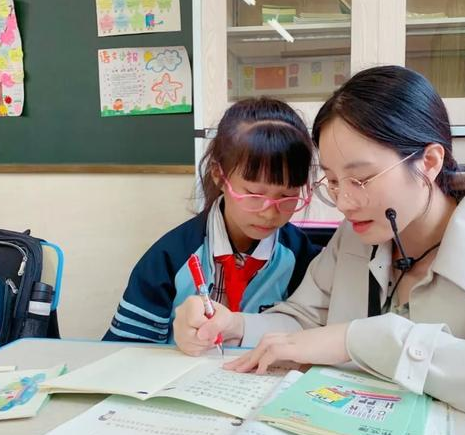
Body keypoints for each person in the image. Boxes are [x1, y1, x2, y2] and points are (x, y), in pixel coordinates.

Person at [173, 66, 465, 435]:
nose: (344, 201)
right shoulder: (355, 236)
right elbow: (303, 321)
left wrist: (368, 340)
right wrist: (234, 325)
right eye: (331, 180)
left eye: (360, 179)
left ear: (430, 162)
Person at [103, 97, 321, 346]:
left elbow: (316, 332)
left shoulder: (302, 257)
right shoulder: (170, 256)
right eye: (254, 195)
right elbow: (126, 350)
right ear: (219, 175)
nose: (269, 213)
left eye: (287, 196)